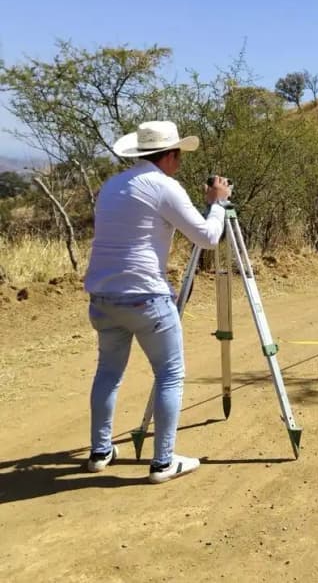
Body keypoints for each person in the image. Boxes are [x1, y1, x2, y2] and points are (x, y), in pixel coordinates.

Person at [84, 120, 231, 484]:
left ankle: (100, 452)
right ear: (169, 155)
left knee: (108, 372)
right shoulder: (165, 186)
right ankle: (163, 462)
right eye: (178, 154)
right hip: (145, 296)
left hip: (103, 296)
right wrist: (218, 203)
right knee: (170, 374)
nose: (180, 161)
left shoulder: (111, 186)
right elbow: (209, 237)